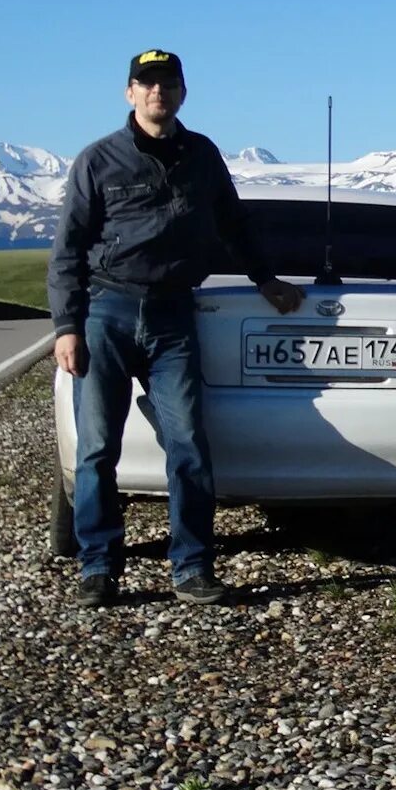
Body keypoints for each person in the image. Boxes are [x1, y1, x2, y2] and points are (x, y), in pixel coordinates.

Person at [48, 49, 304, 607]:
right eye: (147, 84)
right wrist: (67, 325)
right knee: (96, 449)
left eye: (167, 84)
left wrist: (266, 279)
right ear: (129, 93)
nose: (157, 92)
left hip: (173, 316)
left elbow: (234, 224)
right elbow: (68, 248)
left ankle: (191, 566)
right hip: (105, 314)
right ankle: (99, 568)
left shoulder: (203, 155)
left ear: (183, 93)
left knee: (187, 443)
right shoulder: (97, 160)